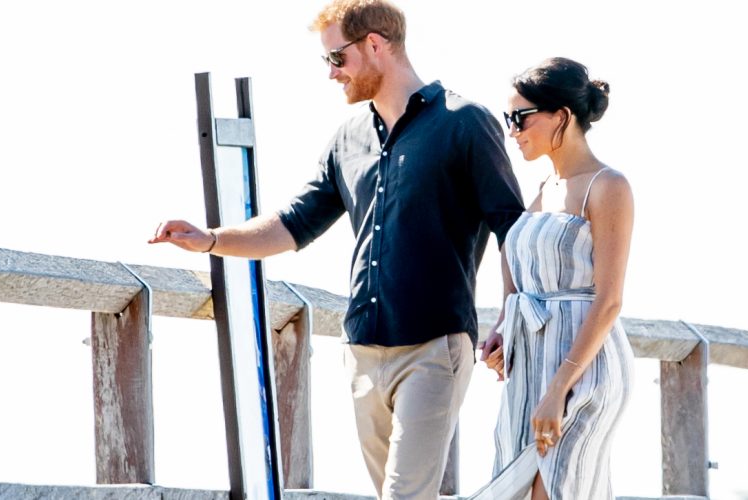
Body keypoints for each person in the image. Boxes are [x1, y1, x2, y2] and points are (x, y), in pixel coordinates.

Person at [150, 1, 524, 498]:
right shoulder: (348, 138)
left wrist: (510, 315)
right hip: (361, 350)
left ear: (375, 44)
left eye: (336, 58)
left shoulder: (465, 123)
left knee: (404, 496)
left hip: (435, 348)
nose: (331, 73)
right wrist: (213, 240)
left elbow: (511, 228)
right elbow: (293, 223)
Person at [474, 57, 636, 500]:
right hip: (531, 367)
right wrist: (504, 326)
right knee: (517, 490)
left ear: (562, 116)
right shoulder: (546, 188)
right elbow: (518, 261)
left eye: (521, 117)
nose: (512, 130)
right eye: (508, 118)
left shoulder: (607, 186)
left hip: (582, 370)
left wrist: (560, 386)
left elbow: (609, 300)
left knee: (555, 489)